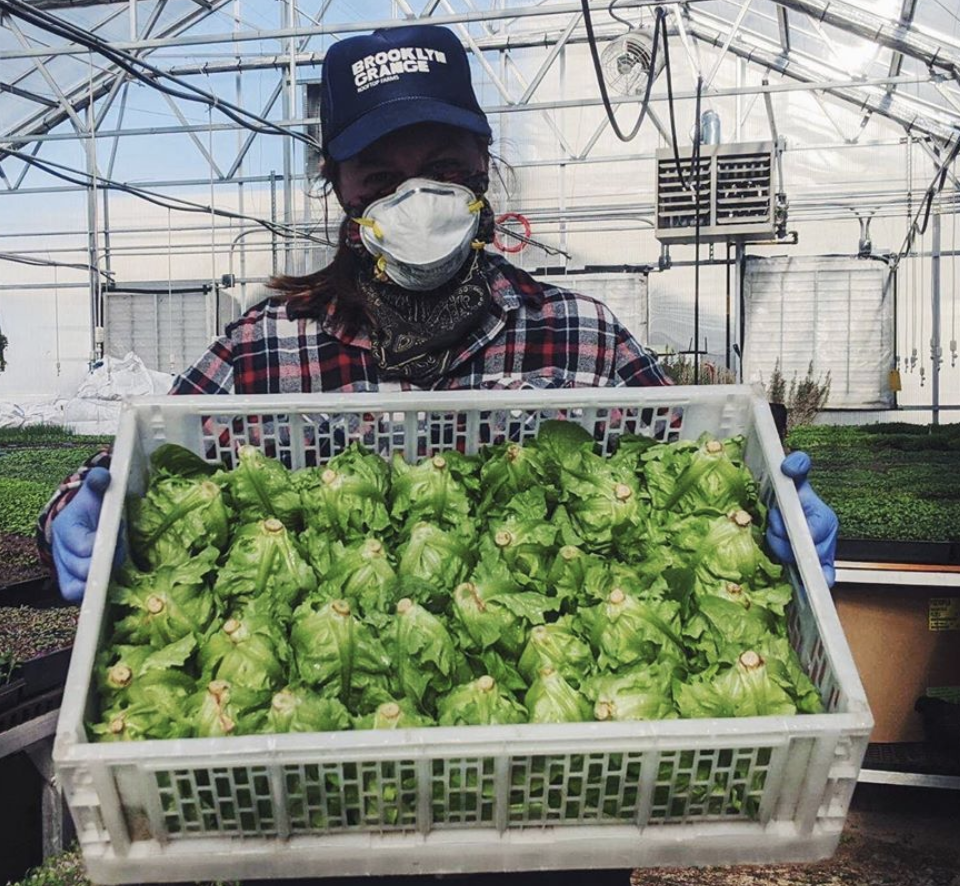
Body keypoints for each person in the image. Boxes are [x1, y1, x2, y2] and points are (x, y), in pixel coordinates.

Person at [40, 23, 837, 615]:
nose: (416, 198)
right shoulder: (266, 345)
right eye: (381, 176)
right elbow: (137, 464)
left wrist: (770, 506)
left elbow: (695, 469)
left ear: (485, 172)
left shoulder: (581, 336)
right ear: (340, 188)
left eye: (444, 170)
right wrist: (78, 512)